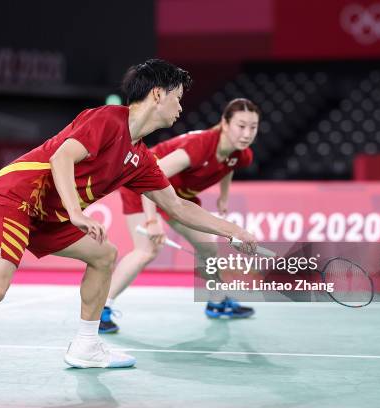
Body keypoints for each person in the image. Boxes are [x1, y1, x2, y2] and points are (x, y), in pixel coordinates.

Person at [0, 60, 257, 398]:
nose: (181, 106)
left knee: (104, 256)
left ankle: (86, 346)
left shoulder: (140, 157)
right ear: (157, 94)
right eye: (177, 97)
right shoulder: (107, 119)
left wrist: (232, 230)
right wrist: (76, 213)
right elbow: (62, 157)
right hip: (14, 198)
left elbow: (176, 205)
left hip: (47, 214)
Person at [100, 98, 260, 334]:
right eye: (241, 125)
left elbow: (229, 165)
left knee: (208, 247)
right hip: (140, 183)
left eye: (253, 127)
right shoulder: (200, 146)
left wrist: (223, 197)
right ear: (225, 124)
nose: (247, 133)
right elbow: (152, 175)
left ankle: (217, 303)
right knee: (146, 250)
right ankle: (101, 310)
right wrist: (152, 221)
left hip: (176, 195)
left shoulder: (242, 154)